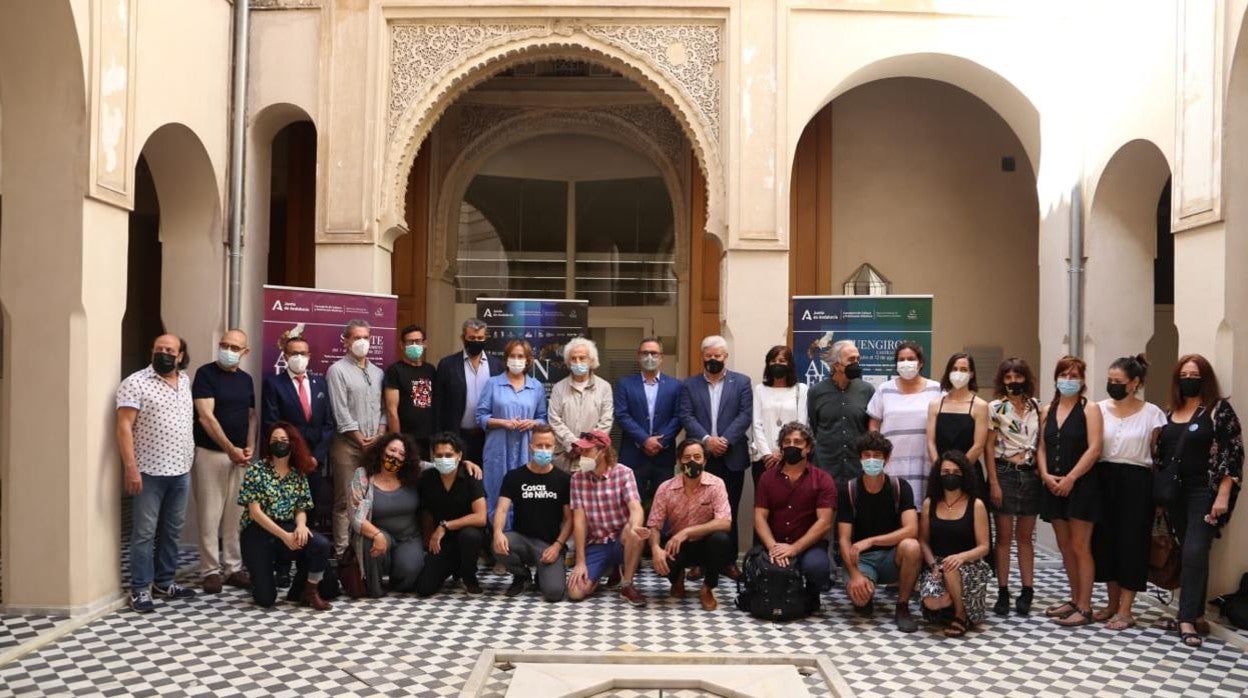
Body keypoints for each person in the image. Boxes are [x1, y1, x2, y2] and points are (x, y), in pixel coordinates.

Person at [1157, 354, 1243, 648]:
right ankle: (1196, 616)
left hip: (1204, 492)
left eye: (1195, 375)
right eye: (1184, 374)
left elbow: (1233, 453)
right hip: (1174, 495)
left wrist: (1222, 494)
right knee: (1190, 551)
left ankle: (1185, 618)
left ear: (1204, 379)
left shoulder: (1219, 410)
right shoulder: (1170, 411)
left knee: (1194, 550)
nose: (1189, 379)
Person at [116, 334, 199, 612]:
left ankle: (164, 582)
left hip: (180, 470)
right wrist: (131, 468)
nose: (163, 353)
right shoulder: (135, 383)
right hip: (148, 472)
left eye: (169, 350)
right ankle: (140, 588)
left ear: (179, 355)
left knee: (172, 531)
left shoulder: (185, 381)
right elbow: (124, 427)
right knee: (144, 533)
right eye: (158, 349)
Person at [1090, 354, 1166, 630]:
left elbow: (1159, 455)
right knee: (1105, 539)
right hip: (1104, 477)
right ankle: (1111, 603)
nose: (1112, 385)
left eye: (1118, 381)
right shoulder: (1097, 409)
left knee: (1132, 542)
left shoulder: (1153, 414)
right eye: (1109, 380)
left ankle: (1126, 609)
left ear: (1134, 383)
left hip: (1137, 480)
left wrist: (1159, 496)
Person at [1036, 355, 1103, 626]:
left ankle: (1085, 607)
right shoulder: (1047, 409)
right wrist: (1044, 474)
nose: (1068, 380)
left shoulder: (1090, 409)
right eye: (1064, 375)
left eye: (1074, 376)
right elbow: (1041, 446)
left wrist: (1072, 478)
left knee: (1080, 546)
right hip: (1052, 484)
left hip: (1081, 485)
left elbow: (1095, 448)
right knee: (1064, 547)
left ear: (1083, 380)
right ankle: (1074, 599)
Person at [237, 422, 332, 610]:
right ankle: (261, 578)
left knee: (319, 544)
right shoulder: (256, 470)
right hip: (258, 533)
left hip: (287, 527)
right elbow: (255, 513)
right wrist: (285, 536)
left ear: (293, 443)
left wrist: (301, 526)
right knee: (266, 599)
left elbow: (301, 507)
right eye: (274, 440)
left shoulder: (298, 473)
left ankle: (308, 591)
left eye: (283, 440)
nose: (279, 443)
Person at [191, 328, 257, 594]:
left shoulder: (246, 379)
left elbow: (251, 415)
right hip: (211, 454)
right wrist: (229, 448)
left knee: (236, 515)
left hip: (241, 457)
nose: (228, 351)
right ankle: (210, 570)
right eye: (224, 345)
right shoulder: (205, 374)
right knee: (209, 514)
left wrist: (250, 447)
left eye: (234, 347)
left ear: (245, 352)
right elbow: (206, 416)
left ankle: (233, 567)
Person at [838, 431, 922, 632]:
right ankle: (866, 592)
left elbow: (911, 529)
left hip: (892, 558)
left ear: (886, 458)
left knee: (912, 546)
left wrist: (872, 541)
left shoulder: (900, 487)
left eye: (877, 455)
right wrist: (855, 574)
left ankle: (902, 606)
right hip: (861, 560)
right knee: (860, 600)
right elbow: (843, 539)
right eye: (867, 455)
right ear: (860, 458)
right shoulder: (849, 489)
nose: (872, 460)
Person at [679, 335, 753, 558]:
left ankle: (729, 560)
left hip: (732, 456)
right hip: (701, 457)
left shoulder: (741, 382)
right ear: (702, 356)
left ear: (725, 357)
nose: (713, 359)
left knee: (730, 508)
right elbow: (686, 415)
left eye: (717, 356)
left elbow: (745, 414)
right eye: (709, 355)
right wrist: (706, 440)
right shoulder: (689, 385)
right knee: (700, 511)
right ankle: (700, 561)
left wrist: (724, 440)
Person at [753, 423, 837, 612]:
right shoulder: (767, 478)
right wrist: (773, 547)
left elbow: (824, 523)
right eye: (787, 442)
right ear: (781, 447)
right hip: (774, 543)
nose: (792, 446)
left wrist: (794, 548)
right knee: (766, 568)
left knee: (817, 568)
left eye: (798, 442)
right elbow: (759, 517)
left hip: (808, 545)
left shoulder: (823, 479)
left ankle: (811, 594)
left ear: (808, 448)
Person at [985, 357, 1042, 617]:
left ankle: (1027, 590)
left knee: (1025, 537)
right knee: (1004, 537)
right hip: (1005, 473)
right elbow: (988, 447)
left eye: (1017, 377)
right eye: (1008, 378)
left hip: (1031, 476)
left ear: (1025, 379)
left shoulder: (1038, 408)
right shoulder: (996, 408)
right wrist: (994, 482)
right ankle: (1003, 591)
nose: (1013, 382)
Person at [647, 439, 734, 610]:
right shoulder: (665, 488)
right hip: (677, 545)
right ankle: (677, 579)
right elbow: (654, 525)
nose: (692, 462)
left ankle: (707, 588)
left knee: (721, 540)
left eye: (697, 457)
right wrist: (655, 549)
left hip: (706, 545)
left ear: (705, 461)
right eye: (687, 458)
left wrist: (687, 532)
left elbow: (725, 523)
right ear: (679, 461)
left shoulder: (716, 484)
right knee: (661, 554)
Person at [261, 335, 335, 529]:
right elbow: (272, 424)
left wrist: (316, 458)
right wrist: (294, 456)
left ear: (309, 356)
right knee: (285, 513)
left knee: (311, 512)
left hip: (314, 463)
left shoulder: (320, 383)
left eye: (303, 353)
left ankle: (306, 556)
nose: (299, 357)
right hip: (288, 461)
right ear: (285, 356)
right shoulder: (274, 384)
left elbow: (328, 424)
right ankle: (286, 557)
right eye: (294, 353)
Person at [566, 430, 648, 605]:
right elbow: (579, 521)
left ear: (602, 451)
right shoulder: (577, 479)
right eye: (581, 451)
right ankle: (608, 570)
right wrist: (580, 562)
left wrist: (635, 526)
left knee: (633, 531)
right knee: (575, 592)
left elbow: (635, 507)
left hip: (621, 540)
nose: (582, 455)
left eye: (587, 451)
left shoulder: (624, 473)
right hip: (597, 542)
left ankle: (626, 584)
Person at [327, 319, 386, 558]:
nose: (362, 342)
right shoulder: (337, 371)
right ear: (346, 341)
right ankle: (343, 556)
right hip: (347, 446)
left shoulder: (378, 372)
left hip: (375, 445)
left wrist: (380, 435)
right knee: (345, 502)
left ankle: (364, 554)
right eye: (356, 338)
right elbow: (340, 411)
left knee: (369, 500)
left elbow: (384, 408)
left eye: (366, 338)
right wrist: (359, 437)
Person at [493, 425, 572, 601]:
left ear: (554, 448)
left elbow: (569, 520)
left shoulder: (563, 480)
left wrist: (558, 546)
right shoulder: (514, 477)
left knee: (553, 593)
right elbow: (502, 508)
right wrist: (498, 532)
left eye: (548, 446)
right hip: (521, 540)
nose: (543, 450)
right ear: (530, 447)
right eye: (539, 445)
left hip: (550, 544)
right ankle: (522, 575)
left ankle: (544, 574)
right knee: (498, 544)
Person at [918, 451, 992, 637]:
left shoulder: (976, 505)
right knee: (932, 602)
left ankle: (961, 615)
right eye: (945, 471)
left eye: (956, 472)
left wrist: (961, 557)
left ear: (965, 474)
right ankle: (952, 601)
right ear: (938, 475)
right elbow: (923, 541)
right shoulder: (930, 503)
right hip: (938, 564)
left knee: (951, 566)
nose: (950, 475)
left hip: (970, 564)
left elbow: (984, 546)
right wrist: (933, 565)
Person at [476, 339, 548, 519]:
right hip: (498, 448)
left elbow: (543, 418)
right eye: (513, 356)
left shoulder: (536, 386)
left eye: (521, 356)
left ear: (528, 360)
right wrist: (503, 422)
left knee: (525, 491)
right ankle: (497, 536)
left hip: (525, 448)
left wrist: (532, 423)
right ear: (506, 359)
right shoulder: (493, 384)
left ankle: (522, 536)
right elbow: (480, 417)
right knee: (496, 490)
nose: (516, 360)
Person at [348, 433, 425, 597]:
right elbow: (356, 517)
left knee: (410, 572)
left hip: (409, 537)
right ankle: (374, 587)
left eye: (401, 454)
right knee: (370, 539)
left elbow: (441, 466)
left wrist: (465, 463)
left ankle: (397, 576)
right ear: (382, 450)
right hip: (378, 532)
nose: (395, 456)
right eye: (392, 450)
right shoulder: (363, 476)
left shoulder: (414, 473)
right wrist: (377, 534)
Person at [867, 341, 941, 505]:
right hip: (892, 463)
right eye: (901, 359)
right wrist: (878, 451)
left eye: (911, 358)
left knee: (924, 510)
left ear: (920, 362)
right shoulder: (884, 389)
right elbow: (874, 423)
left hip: (925, 462)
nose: (906, 363)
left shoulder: (936, 389)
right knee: (893, 507)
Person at [415, 432, 489, 596]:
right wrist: (428, 543)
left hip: (469, 534)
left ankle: (469, 576)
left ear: (459, 455)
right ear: (433, 457)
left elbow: (481, 517)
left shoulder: (471, 475)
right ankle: (454, 565)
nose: (443, 459)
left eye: (449, 455)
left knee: (469, 536)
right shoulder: (427, 478)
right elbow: (425, 511)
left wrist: (445, 526)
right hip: (443, 541)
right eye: (439, 455)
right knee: (424, 588)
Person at [614, 337, 683, 501]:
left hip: (663, 456)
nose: (649, 357)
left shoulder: (675, 385)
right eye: (645, 353)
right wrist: (644, 440)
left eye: (653, 353)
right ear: (638, 356)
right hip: (633, 455)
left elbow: (679, 416)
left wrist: (660, 441)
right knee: (633, 506)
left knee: (664, 505)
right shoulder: (625, 384)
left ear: (661, 357)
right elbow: (622, 415)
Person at [433, 318, 503, 465]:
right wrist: (438, 438)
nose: (476, 341)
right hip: (457, 436)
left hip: (488, 436)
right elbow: (438, 404)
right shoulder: (447, 365)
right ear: (463, 338)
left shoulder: (497, 365)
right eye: (471, 338)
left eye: (480, 338)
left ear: (485, 338)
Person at [807, 339, 875, 482]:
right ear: (837, 365)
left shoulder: (867, 390)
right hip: (825, 467)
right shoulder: (816, 392)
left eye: (858, 359)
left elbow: (869, 428)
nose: (856, 363)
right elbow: (814, 426)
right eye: (851, 359)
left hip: (856, 467)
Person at [926, 353, 990, 493]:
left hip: (969, 472)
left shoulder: (980, 405)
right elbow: (930, 442)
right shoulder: (935, 404)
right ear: (948, 372)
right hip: (940, 473)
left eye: (963, 369)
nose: (958, 373)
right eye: (954, 369)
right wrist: (942, 470)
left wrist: (957, 471)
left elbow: (978, 446)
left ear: (971, 374)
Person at [548, 337, 614, 471]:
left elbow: (606, 421)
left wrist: (586, 445)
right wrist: (572, 443)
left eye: (582, 358)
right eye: (573, 358)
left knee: (589, 491)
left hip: (593, 456)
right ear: (568, 362)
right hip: (565, 457)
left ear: (591, 360)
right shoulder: (559, 388)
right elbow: (554, 419)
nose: (577, 362)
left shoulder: (604, 387)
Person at [750, 345, 809, 487]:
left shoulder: (800, 389)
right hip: (764, 460)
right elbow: (756, 425)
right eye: (773, 361)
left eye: (782, 361)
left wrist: (781, 452)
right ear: (768, 364)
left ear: (789, 364)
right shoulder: (760, 390)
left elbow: (801, 425)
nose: (777, 364)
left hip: (791, 456)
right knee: (764, 504)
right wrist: (767, 454)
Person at [384, 324, 437, 461]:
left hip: (426, 439)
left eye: (418, 341)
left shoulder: (430, 370)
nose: (415, 345)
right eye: (410, 342)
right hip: (405, 439)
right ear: (402, 345)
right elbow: (391, 409)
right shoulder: (395, 371)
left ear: (425, 344)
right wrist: (397, 441)